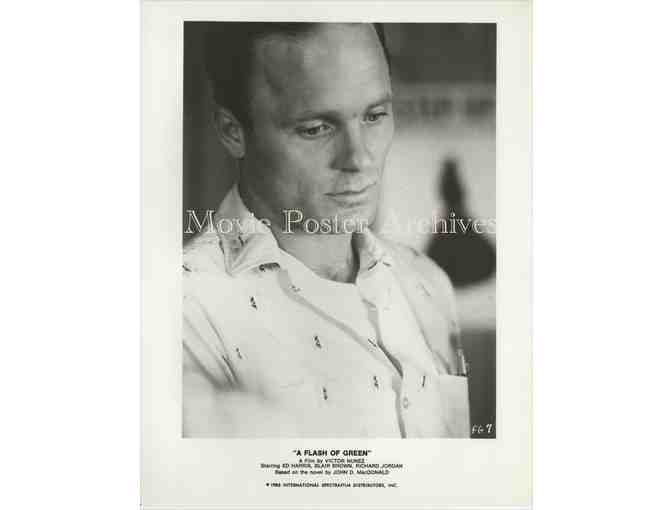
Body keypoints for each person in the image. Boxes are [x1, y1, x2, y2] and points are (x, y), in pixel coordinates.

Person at [183, 22, 470, 437]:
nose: (359, 158)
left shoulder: (427, 280)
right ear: (233, 132)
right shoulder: (183, 312)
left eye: (375, 116)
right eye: (316, 128)